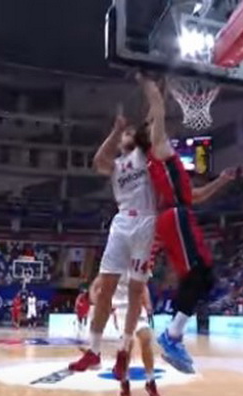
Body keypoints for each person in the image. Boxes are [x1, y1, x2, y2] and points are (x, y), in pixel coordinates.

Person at [137, 74, 236, 373]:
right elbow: (156, 109)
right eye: (154, 126)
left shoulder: (164, 161)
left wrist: (222, 181)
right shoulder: (159, 150)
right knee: (198, 274)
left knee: (204, 277)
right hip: (175, 217)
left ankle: (174, 333)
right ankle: (171, 336)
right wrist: (147, 81)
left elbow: (197, 195)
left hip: (180, 216)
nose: (161, 127)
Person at [68, 103, 157, 378]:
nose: (124, 137)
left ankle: (123, 350)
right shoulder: (116, 166)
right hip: (122, 222)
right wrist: (116, 131)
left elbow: (153, 121)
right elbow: (98, 161)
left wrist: (157, 92)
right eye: (123, 135)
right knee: (106, 287)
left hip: (145, 221)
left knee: (135, 291)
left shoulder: (144, 155)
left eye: (128, 133)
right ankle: (94, 352)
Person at [111, 273, 161, 396]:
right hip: (121, 309)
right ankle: (125, 383)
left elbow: (143, 286)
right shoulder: (111, 266)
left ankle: (150, 381)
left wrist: (148, 304)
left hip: (138, 307)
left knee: (146, 337)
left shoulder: (139, 264)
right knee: (128, 344)